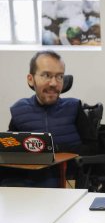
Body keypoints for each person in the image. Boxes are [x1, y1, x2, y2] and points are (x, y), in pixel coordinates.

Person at [0, 50, 97, 187]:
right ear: (30, 79)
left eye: (59, 77)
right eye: (46, 75)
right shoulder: (18, 110)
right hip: (25, 184)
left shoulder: (74, 107)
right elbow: (10, 151)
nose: (54, 83)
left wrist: (56, 148)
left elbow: (93, 148)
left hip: (67, 182)